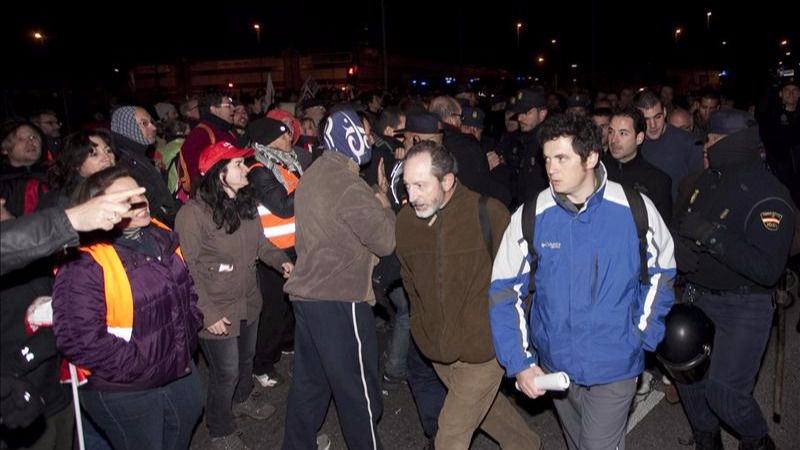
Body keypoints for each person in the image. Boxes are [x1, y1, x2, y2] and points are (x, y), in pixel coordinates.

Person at [489, 113, 676, 450]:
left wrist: (642, 336)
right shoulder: (530, 215)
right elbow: (504, 290)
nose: (551, 168)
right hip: (557, 364)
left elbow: (662, 271)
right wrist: (520, 363)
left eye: (562, 158)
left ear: (590, 158)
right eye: (547, 158)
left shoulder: (634, 208)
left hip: (615, 363)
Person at [396, 141, 541, 450]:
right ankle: (527, 445)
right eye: (407, 186)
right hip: (436, 348)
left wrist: (511, 336)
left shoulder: (488, 213)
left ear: (447, 181)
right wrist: (422, 326)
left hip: (485, 348)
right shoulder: (406, 221)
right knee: (485, 412)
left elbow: (519, 279)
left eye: (420, 185)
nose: (412, 196)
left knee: (450, 436)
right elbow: (409, 281)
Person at [52, 166, 204, 450]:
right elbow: (78, 339)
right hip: (126, 386)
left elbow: (185, 288)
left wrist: (192, 325)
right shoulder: (84, 262)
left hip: (177, 364)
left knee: (183, 426)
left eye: (139, 194)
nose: (139, 203)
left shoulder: (160, 234)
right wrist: (139, 364)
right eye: (125, 199)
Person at [672, 110, 796, 450]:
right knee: (687, 373)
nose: (706, 146)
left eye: (711, 140)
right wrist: (679, 249)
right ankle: (707, 439)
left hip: (745, 303)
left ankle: (757, 440)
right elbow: (681, 223)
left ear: (732, 142)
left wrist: (713, 237)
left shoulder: (769, 195)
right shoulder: (702, 180)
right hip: (698, 293)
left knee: (724, 393)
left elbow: (768, 269)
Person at [282, 110, 394, 450]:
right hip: (340, 299)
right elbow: (386, 241)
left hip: (307, 297)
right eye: (364, 132)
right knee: (358, 391)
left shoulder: (315, 173)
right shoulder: (348, 184)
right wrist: (385, 203)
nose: (369, 139)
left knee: (310, 385)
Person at [175, 141, 292, 450]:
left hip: (248, 300)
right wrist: (208, 313)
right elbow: (189, 271)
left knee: (246, 361)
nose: (245, 168)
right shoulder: (193, 215)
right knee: (224, 372)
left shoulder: (245, 203)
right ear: (219, 173)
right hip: (215, 306)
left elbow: (262, 245)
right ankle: (219, 427)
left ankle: (242, 400)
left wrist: (283, 261)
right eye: (239, 164)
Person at [245, 117, 309, 388]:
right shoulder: (259, 169)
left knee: (288, 306)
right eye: (283, 135)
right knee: (273, 309)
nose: (289, 139)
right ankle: (261, 365)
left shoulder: (284, 162)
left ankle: (285, 343)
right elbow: (282, 206)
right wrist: (312, 185)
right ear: (267, 139)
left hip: (293, 246)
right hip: (273, 251)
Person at [110, 106, 180, 225]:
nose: (153, 127)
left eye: (151, 122)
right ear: (128, 128)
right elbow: (155, 209)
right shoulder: (125, 168)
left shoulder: (139, 158)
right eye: (144, 123)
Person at [603, 107, 673, 223]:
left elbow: (662, 232)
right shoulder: (598, 170)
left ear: (639, 138)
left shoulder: (658, 181)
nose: (614, 140)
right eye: (611, 132)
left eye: (623, 133)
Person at [635, 90, 703, 199]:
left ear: (665, 113)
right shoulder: (632, 144)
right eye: (646, 119)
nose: (653, 125)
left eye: (658, 117)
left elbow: (700, 187)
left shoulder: (689, 143)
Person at [177, 91, 238, 195]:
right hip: (214, 199)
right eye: (228, 105)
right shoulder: (200, 134)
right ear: (213, 108)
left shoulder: (228, 131)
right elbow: (195, 178)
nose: (233, 108)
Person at [39, 130, 116, 210]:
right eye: (94, 154)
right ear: (76, 164)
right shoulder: (65, 200)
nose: (107, 157)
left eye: (108, 151)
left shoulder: (120, 182)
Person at [1, 120, 49, 217]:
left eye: (33, 137)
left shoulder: (55, 174)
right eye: (21, 139)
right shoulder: (3, 184)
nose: (31, 142)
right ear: (4, 149)